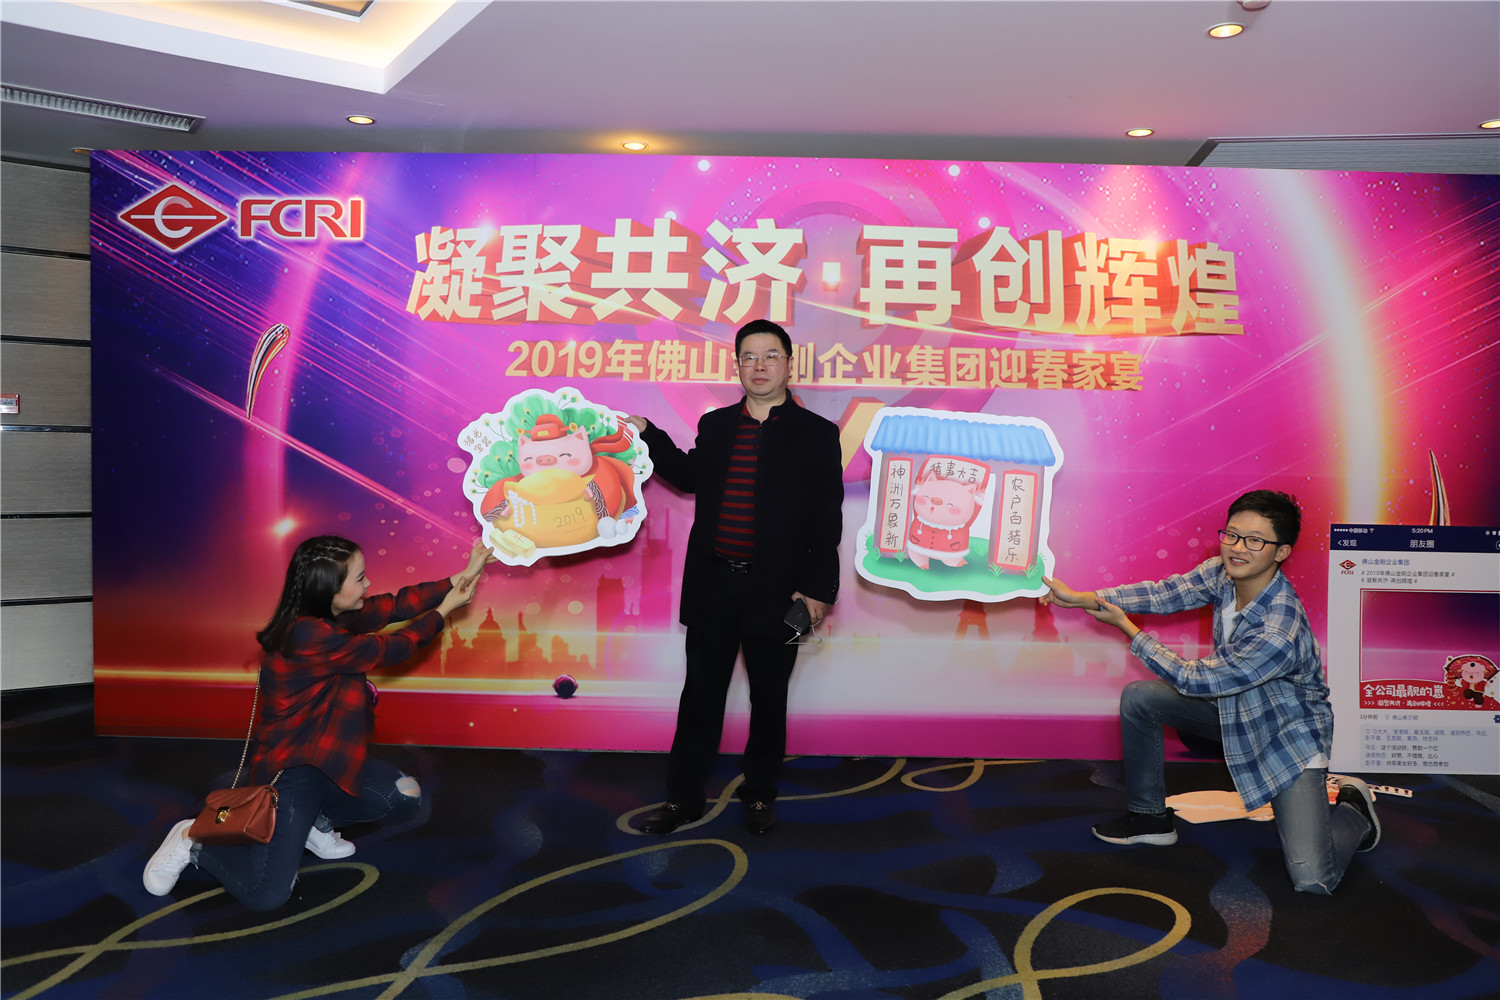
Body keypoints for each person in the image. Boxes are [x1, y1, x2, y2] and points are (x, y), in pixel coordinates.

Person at [1042, 490, 1379, 895]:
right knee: (1141, 698)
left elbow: (1194, 680)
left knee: (1313, 879)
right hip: (1232, 711)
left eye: (1255, 541)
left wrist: (1128, 629)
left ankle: (1354, 810)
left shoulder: (1278, 628)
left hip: (1285, 737)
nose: (1238, 548)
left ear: (1281, 552)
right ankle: (1149, 819)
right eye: (1232, 535)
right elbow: (1167, 593)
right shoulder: (1224, 572)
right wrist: (1086, 599)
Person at [143, 536, 488, 910]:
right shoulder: (307, 634)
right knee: (266, 894)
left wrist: (461, 576)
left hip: (330, 759)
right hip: (293, 769)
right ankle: (193, 840)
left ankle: (311, 822)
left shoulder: (332, 614)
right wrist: (444, 611)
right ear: (329, 589)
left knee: (403, 795)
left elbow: (394, 605)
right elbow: (389, 649)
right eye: (359, 577)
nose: (368, 583)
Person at [625, 319, 843, 835]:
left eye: (770, 356)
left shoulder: (817, 434)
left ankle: (760, 794)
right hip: (714, 585)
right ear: (737, 365)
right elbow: (688, 477)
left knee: (769, 698)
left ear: (788, 364)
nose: (759, 366)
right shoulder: (717, 425)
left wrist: (818, 590)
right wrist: (647, 434)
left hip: (778, 591)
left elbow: (826, 519)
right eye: (749, 357)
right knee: (700, 695)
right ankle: (682, 799)